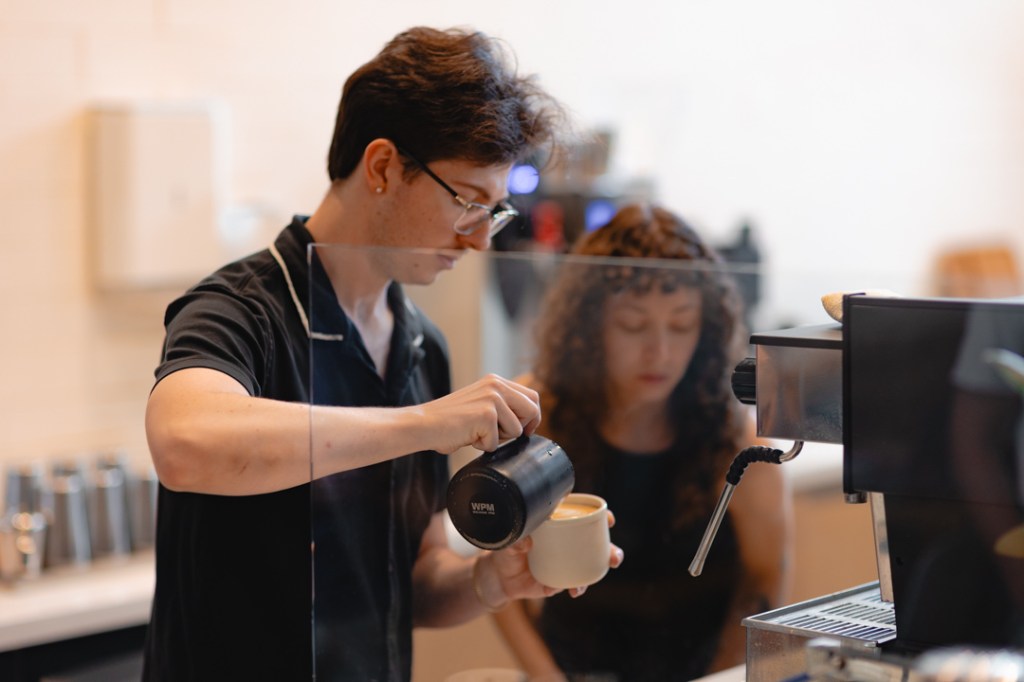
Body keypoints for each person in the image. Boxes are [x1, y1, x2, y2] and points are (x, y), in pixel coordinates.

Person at [142, 27, 622, 681]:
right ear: (382, 168)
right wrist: (428, 423)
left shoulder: (421, 346)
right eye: (468, 204)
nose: (481, 241)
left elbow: (415, 579)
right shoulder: (241, 308)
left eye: (496, 212)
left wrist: (492, 581)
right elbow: (186, 444)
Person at [494, 204, 794, 681]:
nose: (661, 351)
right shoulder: (537, 412)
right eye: (633, 325)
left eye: (681, 325)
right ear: (589, 326)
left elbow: (764, 578)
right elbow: (497, 577)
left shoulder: (734, 431)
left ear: (707, 327)